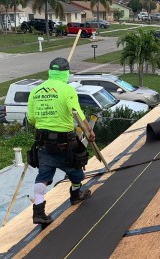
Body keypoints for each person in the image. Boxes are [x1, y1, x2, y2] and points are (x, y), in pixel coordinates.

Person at [27, 57, 96, 225]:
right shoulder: (67, 90)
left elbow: (31, 119)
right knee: (77, 174)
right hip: (65, 145)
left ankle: (39, 211)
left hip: (44, 145)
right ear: (66, 72)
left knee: (42, 177)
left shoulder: (35, 92)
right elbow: (77, 114)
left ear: (50, 72)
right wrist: (89, 132)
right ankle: (76, 195)